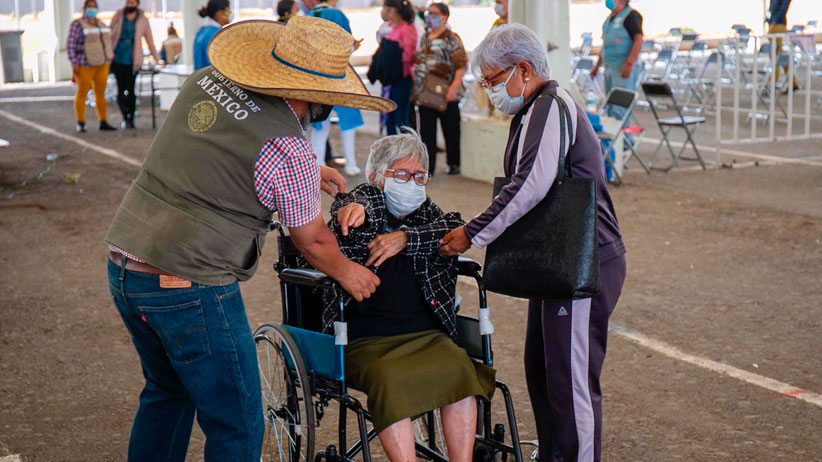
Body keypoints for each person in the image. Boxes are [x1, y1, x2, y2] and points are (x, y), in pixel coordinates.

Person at [104, 17, 392, 461]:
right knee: (237, 421)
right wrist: (349, 272)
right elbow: (313, 240)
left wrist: (306, 173)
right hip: (189, 281)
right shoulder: (288, 148)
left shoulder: (207, 80)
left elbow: (211, 149)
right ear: (313, 95)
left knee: (166, 392)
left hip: (127, 260)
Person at [440, 24, 626, 462]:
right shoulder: (531, 111)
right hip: (557, 261)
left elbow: (529, 186)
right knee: (543, 369)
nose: (489, 91)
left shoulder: (550, 106)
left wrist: (472, 233)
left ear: (523, 70)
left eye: (492, 80)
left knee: (571, 380)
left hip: (584, 262)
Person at [313, 129, 494, 462]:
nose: (411, 183)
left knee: (460, 368)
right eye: (400, 174)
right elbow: (358, 201)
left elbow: (453, 227)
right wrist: (359, 205)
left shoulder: (426, 214)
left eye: (419, 176)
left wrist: (405, 238)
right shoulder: (360, 210)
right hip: (367, 340)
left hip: (427, 335)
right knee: (390, 380)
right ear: (376, 176)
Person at [304, 0, 365, 176]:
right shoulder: (337, 15)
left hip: (316, 77)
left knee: (320, 124)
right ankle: (351, 164)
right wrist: (353, 47)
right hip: (339, 75)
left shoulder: (308, 17)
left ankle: (318, 164)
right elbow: (347, 46)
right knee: (348, 124)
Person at [413, 2, 466, 175]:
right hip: (426, 94)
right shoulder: (425, 37)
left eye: (434, 14)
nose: (430, 17)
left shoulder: (452, 39)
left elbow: (461, 65)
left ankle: (453, 164)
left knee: (451, 131)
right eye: (429, 13)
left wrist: (454, 88)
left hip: (447, 93)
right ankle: (428, 168)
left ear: (444, 17)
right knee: (426, 133)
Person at [66, 0, 117, 133]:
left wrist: (109, 59)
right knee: (82, 93)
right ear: (84, 8)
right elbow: (70, 45)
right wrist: (74, 62)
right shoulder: (77, 25)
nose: (92, 9)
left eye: (94, 7)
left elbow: (107, 42)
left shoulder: (101, 24)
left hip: (102, 64)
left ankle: (103, 121)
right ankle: (81, 122)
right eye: (90, 7)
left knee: (100, 94)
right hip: (84, 64)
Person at [110, 0, 161, 129]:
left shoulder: (143, 19)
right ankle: (124, 115)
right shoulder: (118, 15)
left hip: (133, 59)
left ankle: (131, 118)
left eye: (133, 2)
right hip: (117, 57)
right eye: (129, 2)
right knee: (120, 89)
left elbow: (150, 41)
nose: (130, 5)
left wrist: (158, 59)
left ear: (137, 4)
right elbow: (109, 34)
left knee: (131, 89)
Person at [590, 0, 642, 121]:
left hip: (623, 67)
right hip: (609, 66)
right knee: (610, 103)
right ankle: (613, 130)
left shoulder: (631, 16)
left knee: (621, 106)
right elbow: (605, 44)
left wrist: (629, 64)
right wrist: (597, 66)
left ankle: (623, 132)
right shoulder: (610, 18)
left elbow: (638, 40)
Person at [382, 0, 418, 136]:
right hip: (392, 78)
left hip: (403, 77)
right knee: (390, 118)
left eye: (389, 10)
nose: (386, 12)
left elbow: (408, 56)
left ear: (396, 11)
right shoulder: (392, 26)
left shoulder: (407, 28)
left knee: (401, 118)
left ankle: (408, 146)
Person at [767, 0, 798, 90]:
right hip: (773, 23)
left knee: (774, 53)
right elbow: (771, 8)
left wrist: (775, 19)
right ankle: (792, 81)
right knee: (778, 54)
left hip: (778, 24)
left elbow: (784, 7)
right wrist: (768, 19)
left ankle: (773, 82)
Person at [193, 0, 231, 71]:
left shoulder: (202, 32)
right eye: (228, 11)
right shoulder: (219, 35)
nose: (230, 14)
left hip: (202, 76)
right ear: (219, 14)